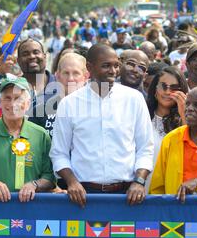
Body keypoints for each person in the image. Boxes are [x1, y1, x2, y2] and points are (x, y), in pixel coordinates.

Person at [50, 44, 154, 207]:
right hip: (82, 197)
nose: (113, 71)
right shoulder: (69, 104)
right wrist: (72, 183)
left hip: (127, 196)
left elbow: (145, 148)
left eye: (116, 65)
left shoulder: (135, 99)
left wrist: (139, 181)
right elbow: (59, 154)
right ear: (90, 67)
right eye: (106, 66)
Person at [0, 76, 56, 202]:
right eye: (7, 98)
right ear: (0, 102)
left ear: (28, 103)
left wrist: (34, 184)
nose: (13, 104)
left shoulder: (41, 135)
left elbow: (50, 177)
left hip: (31, 210)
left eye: (18, 98)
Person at [29, 52, 89, 136]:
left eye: (76, 73)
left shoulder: (96, 110)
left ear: (86, 77)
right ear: (57, 76)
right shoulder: (40, 111)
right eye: (66, 73)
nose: (70, 78)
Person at [146, 66, 188, 186]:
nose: (168, 92)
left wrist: (184, 113)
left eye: (174, 88)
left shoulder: (185, 121)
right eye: (163, 86)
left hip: (173, 188)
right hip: (140, 189)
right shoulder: (142, 115)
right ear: (155, 89)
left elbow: (190, 149)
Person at [17, 38, 60, 117]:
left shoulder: (61, 85)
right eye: (25, 54)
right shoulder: (11, 89)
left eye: (36, 52)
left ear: (44, 56)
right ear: (18, 61)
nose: (32, 56)